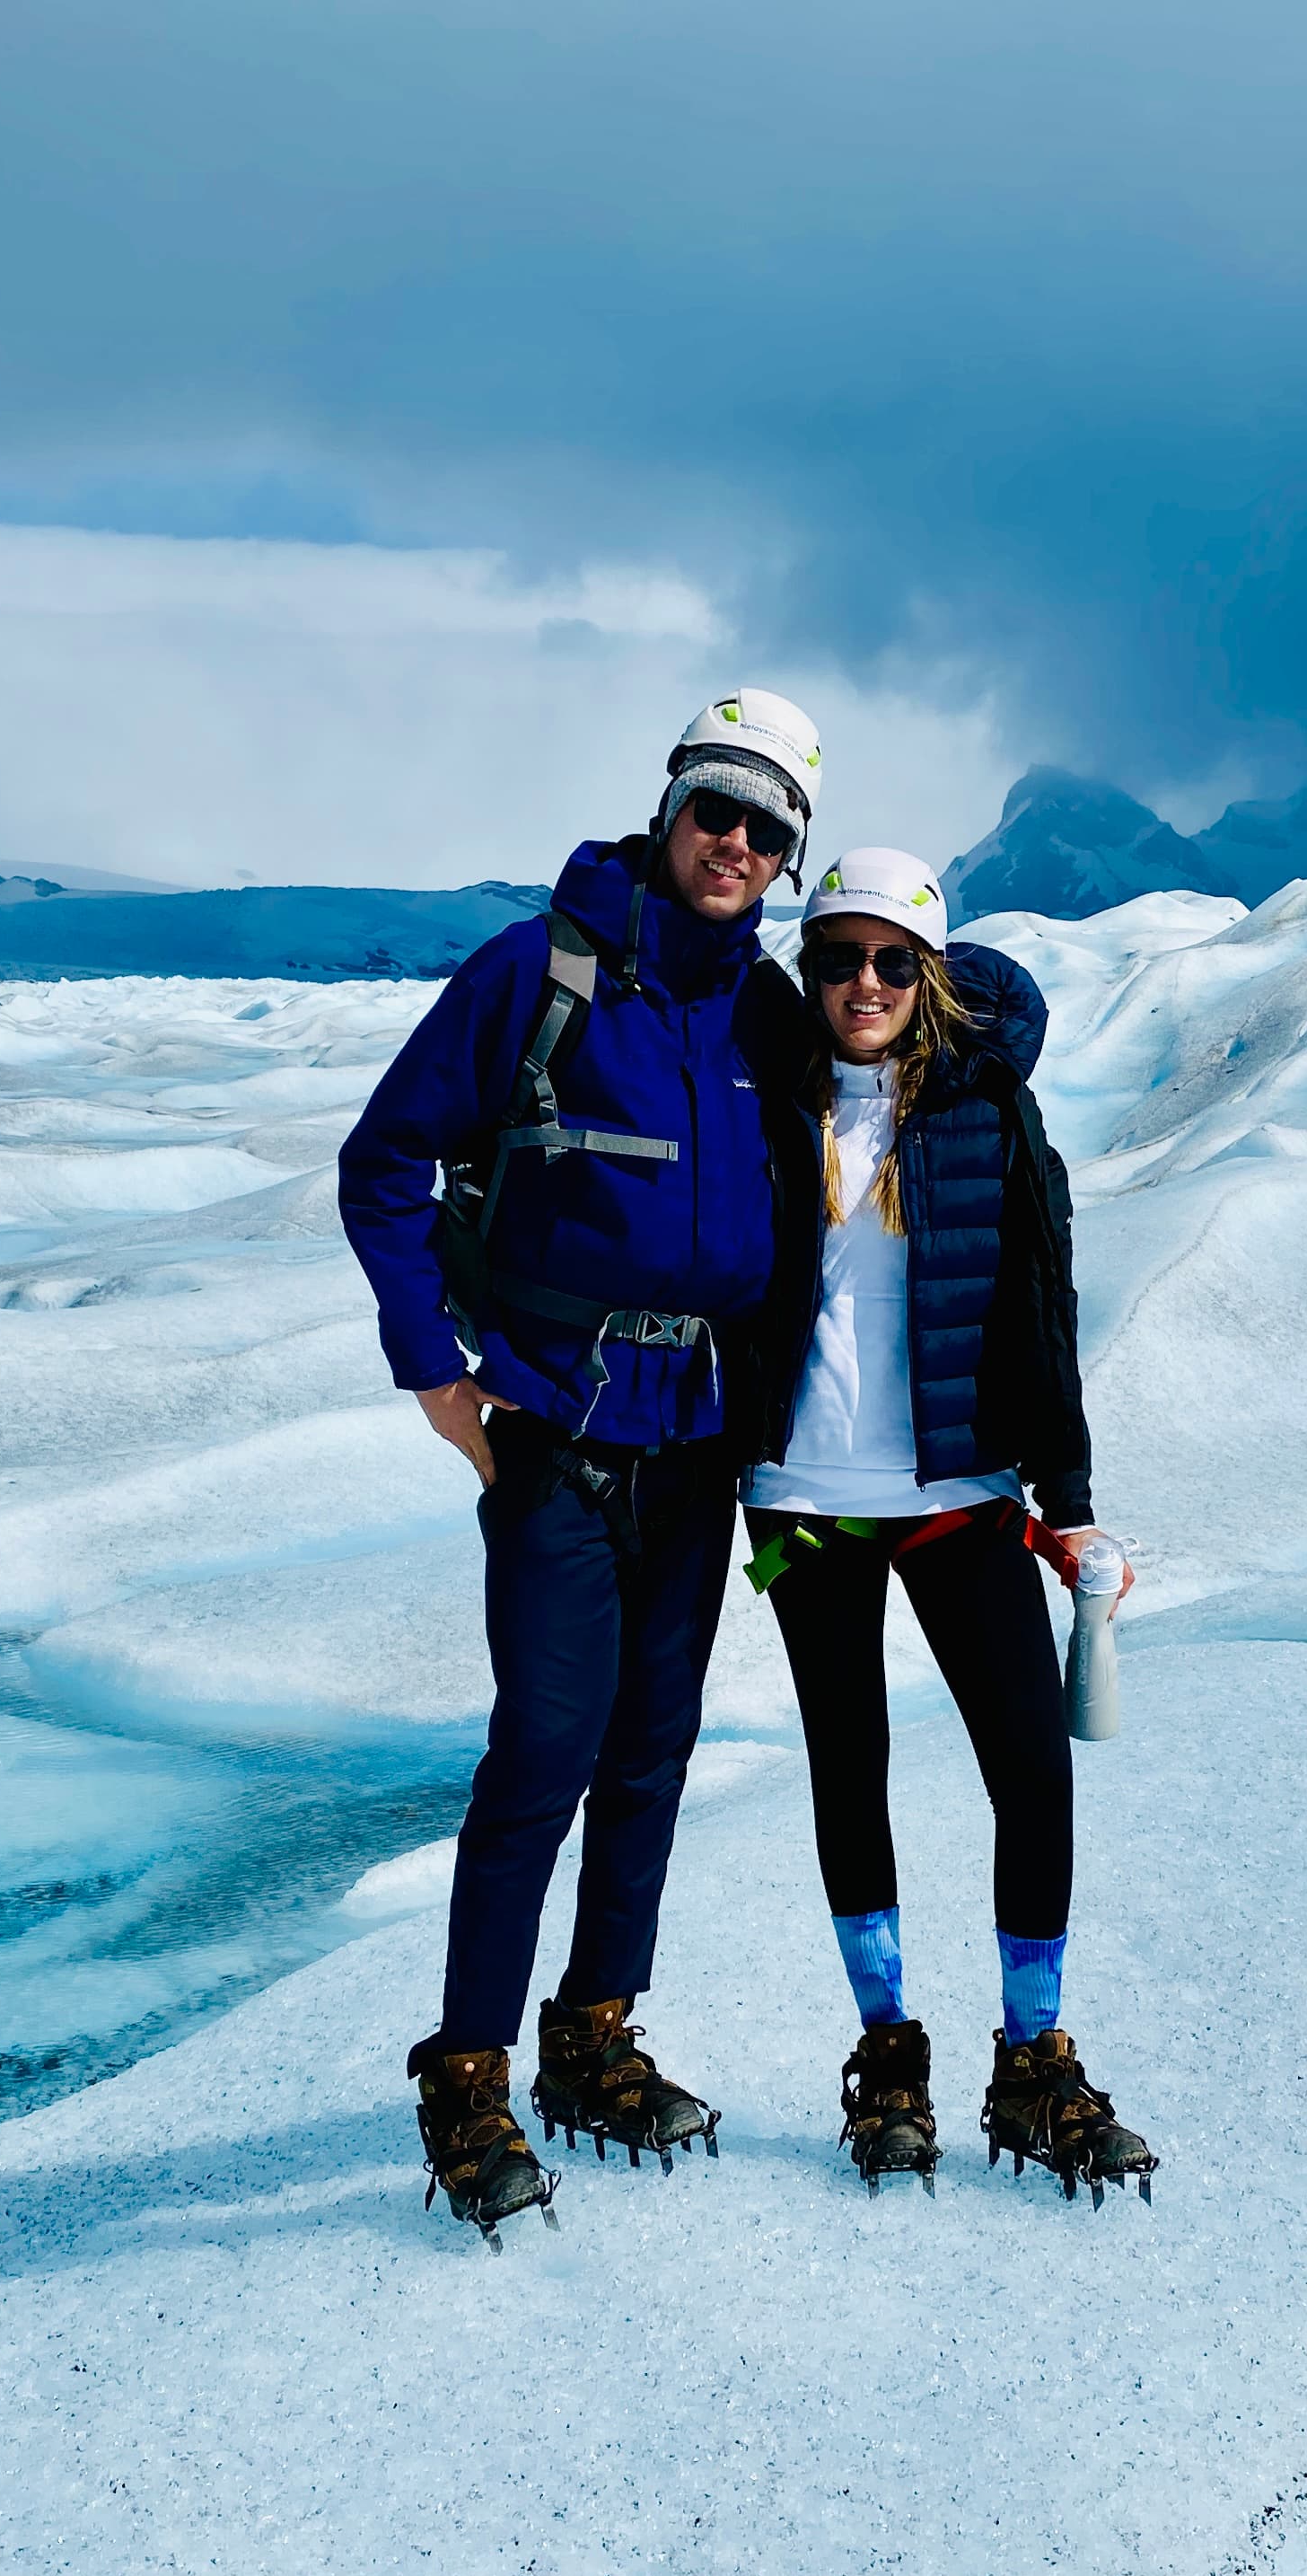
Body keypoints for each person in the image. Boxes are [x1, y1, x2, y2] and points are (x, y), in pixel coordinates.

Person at [338, 690, 822, 2245]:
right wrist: (434, 1370)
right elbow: (384, 1163)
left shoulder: (763, 1012)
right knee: (544, 1752)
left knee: (652, 1752)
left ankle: (592, 2039)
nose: (735, 843)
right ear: (670, 804)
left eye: (768, 827)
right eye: (717, 810)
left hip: (697, 1442)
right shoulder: (540, 972)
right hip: (553, 1421)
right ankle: (467, 2074)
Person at [739, 846, 1158, 2203]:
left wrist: (1071, 1503)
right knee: (846, 1769)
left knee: (1033, 1774)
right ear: (808, 973)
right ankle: (889, 2051)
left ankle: (1033, 2058)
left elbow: (1041, 1301)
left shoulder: (986, 1107)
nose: (861, 982)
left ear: (929, 976)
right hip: (803, 1500)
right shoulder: (761, 1098)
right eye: (836, 958)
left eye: (888, 960)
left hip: (960, 1492)